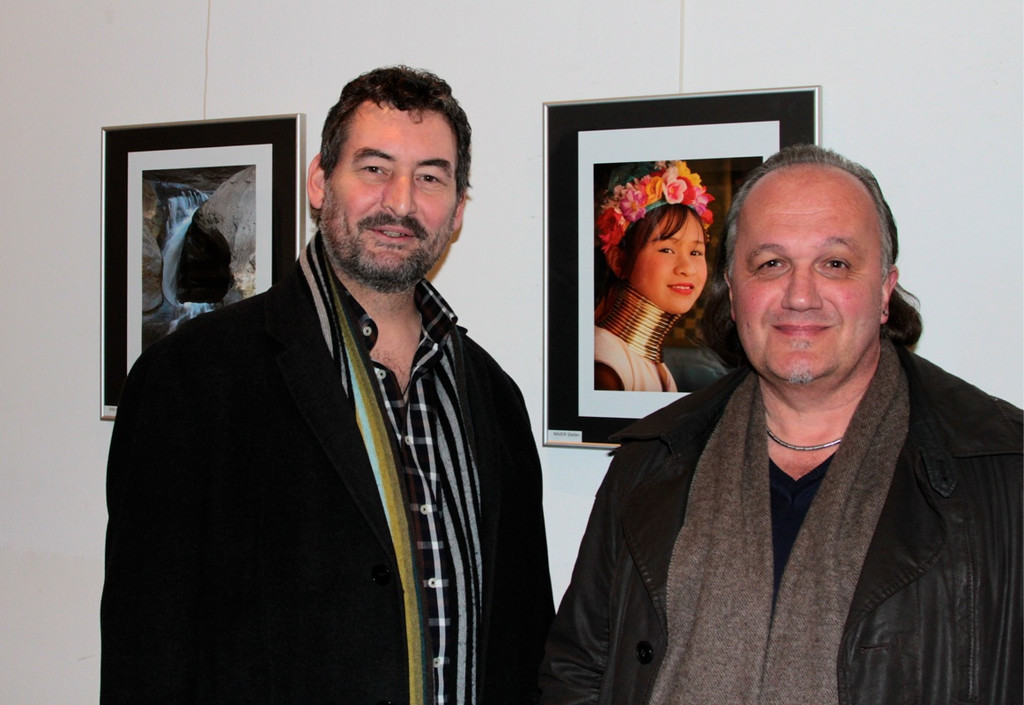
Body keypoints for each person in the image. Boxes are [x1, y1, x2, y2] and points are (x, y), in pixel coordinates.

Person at [101, 66, 553, 705]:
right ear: (319, 181)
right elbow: (147, 650)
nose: (401, 202)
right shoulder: (193, 380)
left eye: (430, 177)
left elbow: (525, 641)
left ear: (457, 210)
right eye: (374, 168)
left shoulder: (495, 398)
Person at [540, 144, 1022, 704]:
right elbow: (577, 671)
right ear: (733, 291)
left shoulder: (1002, 471)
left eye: (835, 264)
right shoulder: (651, 459)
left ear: (885, 291)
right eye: (771, 264)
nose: (800, 296)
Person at [593, 161, 714, 392]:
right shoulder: (605, 368)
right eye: (666, 250)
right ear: (619, 261)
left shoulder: (650, 364)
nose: (687, 268)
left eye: (696, 252)